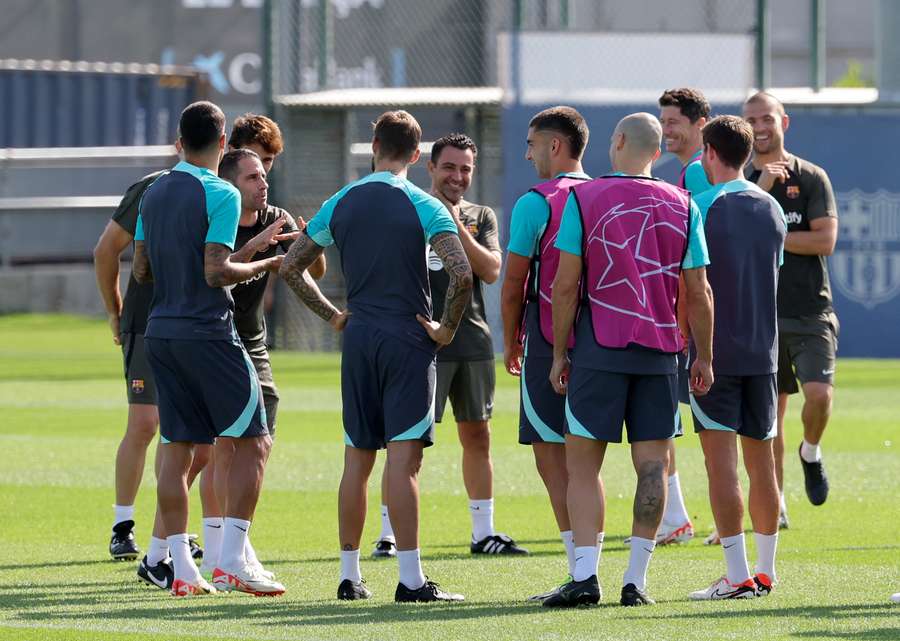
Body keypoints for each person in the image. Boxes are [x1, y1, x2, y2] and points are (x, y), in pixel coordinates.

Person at [278, 110, 471, 603]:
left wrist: (333, 316)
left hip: (359, 337)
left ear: (372, 148)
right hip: (407, 337)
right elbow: (462, 273)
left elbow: (292, 267)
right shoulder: (424, 203)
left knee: (357, 459)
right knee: (403, 463)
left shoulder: (339, 201)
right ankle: (410, 580)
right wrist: (446, 329)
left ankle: (348, 575)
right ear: (416, 153)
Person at [540, 113, 714, 608]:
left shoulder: (583, 198)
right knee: (653, 467)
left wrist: (557, 353)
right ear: (657, 151)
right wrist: (703, 355)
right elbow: (698, 292)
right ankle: (635, 581)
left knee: (582, 465)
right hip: (661, 354)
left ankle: (585, 577)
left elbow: (566, 284)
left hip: (599, 349)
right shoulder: (684, 205)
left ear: (616, 142)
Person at [132, 101, 284, 597]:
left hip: (161, 332)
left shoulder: (153, 192)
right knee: (255, 439)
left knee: (178, 451)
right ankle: (234, 561)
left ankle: (181, 568)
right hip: (208, 332)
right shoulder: (219, 191)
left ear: (180, 140)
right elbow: (216, 271)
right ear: (223, 144)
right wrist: (268, 264)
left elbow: (140, 270)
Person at [372, 133, 525, 558]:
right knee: (408, 442)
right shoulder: (409, 208)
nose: (458, 176)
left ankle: (484, 532)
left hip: (471, 340)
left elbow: (492, 270)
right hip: (420, 342)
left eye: (465, 169)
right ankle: (388, 534)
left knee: (478, 435)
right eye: (450, 167)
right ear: (430, 168)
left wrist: (454, 222)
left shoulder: (481, 216)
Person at [197, 117, 326, 581]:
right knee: (219, 447)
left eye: (269, 166)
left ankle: (228, 550)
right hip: (213, 338)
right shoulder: (217, 214)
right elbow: (216, 272)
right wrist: (258, 251)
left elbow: (310, 269)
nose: (265, 178)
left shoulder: (278, 217)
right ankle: (216, 552)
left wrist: (311, 242)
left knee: (250, 442)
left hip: (252, 340)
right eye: (255, 169)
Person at [93, 148, 210, 570]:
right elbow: (106, 250)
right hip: (145, 320)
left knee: (184, 433)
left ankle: (171, 532)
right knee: (144, 423)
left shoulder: (219, 191)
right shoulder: (151, 187)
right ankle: (122, 524)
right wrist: (114, 309)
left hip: (193, 324)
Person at [685, 116, 787, 600]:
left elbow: (691, 286)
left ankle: (736, 575)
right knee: (762, 464)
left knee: (721, 467)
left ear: (708, 152)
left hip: (715, 355)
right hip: (763, 354)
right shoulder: (771, 207)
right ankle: (765, 572)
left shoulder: (697, 208)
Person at [500, 106, 599, 592]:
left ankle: (580, 569)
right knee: (593, 458)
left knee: (552, 455)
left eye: (533, 143)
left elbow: (514, 280)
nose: (528, 153)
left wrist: (511, 338)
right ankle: (604, 569)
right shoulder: (606, 194)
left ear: (555, 146)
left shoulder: (536, 201)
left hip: (549, 339)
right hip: (609, 341)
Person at [744, 92, 839, 517]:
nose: (760, 127)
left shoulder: (811, 176)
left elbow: (825, 240)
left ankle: (811, 451)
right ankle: (776, 503)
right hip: (762, 313)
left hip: (810, 310)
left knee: (818, 395)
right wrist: (760, 192)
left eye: (767, 118)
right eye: (752, 120)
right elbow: (737, 242)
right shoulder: (742, 179)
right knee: (771, 414)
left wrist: (773, 234)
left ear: (784, 121)